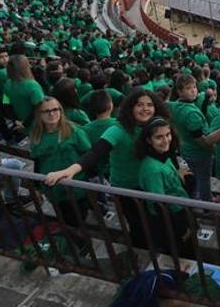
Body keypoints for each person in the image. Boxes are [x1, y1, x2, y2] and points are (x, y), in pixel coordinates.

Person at [44, 89, 171, 247]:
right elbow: (97, 151)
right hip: (128, 188)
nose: (145, 109)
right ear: (130, 107)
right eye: (139, 105)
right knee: (138, 226)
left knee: (156, 220)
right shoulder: (118, 129)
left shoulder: (155, 125)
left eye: (149, 105)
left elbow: (167, 150)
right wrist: (71, 170)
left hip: (153, 182)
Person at [28, 96, 91, 246]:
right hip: (53, 188)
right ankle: (71, 243)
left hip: (76, 186)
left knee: (78, 218)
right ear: (39, 114)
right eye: (46, 111)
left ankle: (81, 244)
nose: (52, 114)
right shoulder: (36, 135)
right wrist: (37, 187)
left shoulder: (74, 130)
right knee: (64, 217)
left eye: (55, 109)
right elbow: (37, 161)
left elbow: (87, 155)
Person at [136, 117, 195, 259]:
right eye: (159, 137)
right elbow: (159, 205)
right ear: (149, 140)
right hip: (172, 221)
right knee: (182, 254)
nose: (166, 140)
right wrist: (180, 229)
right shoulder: (152, 169)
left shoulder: (162, 155)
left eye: (167, 135)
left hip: (180, 209)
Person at [169, 75, 220, 202]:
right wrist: (216, 148)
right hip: (199, 153)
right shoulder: (192, 114)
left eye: (194, 87)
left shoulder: (175, 105)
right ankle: (207, 203)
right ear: (180, 91)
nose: (193, 90)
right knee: (204, 179)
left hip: (186, 149)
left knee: (199, 176)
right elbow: (202, 141)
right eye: (188, 88)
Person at [4, 54, 45, 128]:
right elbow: (39, 106)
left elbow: (6, 104)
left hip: (21, 122)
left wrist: (16, 120)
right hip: (36, 124)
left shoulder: (8, 83)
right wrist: (26, 123)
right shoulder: (32, 85)